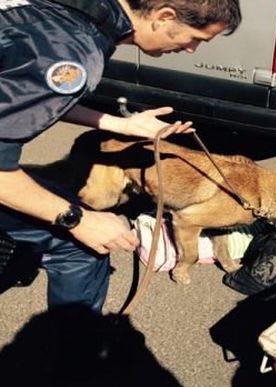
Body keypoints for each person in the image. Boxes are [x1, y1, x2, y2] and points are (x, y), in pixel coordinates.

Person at [0, 0, 241, 313]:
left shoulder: (77, 16)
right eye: (196, 37)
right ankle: (80, 356)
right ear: (164, 16)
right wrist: (78, 220)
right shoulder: (73, 49)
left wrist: (123, 124)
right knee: (80, 246)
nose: (192, 49)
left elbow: (25, 94)